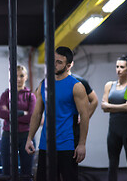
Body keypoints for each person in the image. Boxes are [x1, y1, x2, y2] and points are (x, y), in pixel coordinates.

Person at [25, 46, 89, 181]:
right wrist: (30, 137)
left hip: (67, 145)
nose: (54, 64)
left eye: (59, 62)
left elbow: (84, 116)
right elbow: (37, 114)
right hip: (45, 145)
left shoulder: (76, 86)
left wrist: (82, 144)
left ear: (68, 65)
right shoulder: (44, 84)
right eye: (53, 60)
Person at [101, 55, 127, 181]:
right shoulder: (109, 85)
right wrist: (120, 106)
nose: (118, 69)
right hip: (113, 131)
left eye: (122, 67)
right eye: (117, 66)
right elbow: (103, 106)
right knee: (112, 164)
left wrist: (109, 106)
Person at [0, 65, 36, 179]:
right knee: (7, 172)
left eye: (21, 76)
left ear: (26, 77)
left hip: (27, 136)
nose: (18, 79)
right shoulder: (6, 95)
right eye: (15, 76)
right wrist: (22, 113)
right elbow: (1, 113)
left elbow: (31, 117)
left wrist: (10, 114)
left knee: (26, 172)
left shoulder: (31, 96)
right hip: (8, 135)